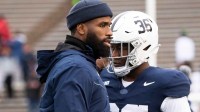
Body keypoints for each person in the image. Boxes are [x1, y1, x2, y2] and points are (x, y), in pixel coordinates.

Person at [100, 11, 192, 112]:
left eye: (122, 47)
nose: (114, 55)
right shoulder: (102, 78)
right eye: (112, 47)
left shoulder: (166, 83)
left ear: (144, 47)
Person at [36, 0, 113, 112]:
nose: (109, 32)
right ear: (81, 29)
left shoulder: (81, 63)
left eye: (109, 25)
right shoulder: (76, 68)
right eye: (102, 25)